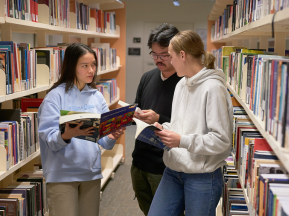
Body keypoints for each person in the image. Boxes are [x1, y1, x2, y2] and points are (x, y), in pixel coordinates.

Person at [148, 30, 233, 216]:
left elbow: (221, 141)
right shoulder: (181, 84)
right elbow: (180, 126)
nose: (169, 61)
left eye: (170, 56)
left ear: (183, 55)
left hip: (202, 177)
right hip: (173, 170)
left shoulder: (213, 88)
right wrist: (164, 130)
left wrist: (181, 141)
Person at [38, 43, 125, 216]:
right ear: (72, 67)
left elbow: (104, 142)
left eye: (93, 65)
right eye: (84, 66)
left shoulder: (97, 96)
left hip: (90, 173)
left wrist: (112, 136)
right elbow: (49, 141)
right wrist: (66, 136)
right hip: (62, 175)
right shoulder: (54, 97)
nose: (91, 70)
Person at [131, 23, 182, 216]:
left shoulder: (185, 83)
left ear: (178, 52)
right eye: (154, 54)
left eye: (164, 55)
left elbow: (188, 127)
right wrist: (132, 114)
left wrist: (159, 118)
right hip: (139, 161)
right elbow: (137, 105)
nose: (158, 59)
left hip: (165, 166)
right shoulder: (147, 77)